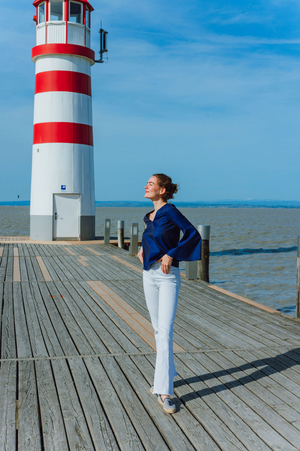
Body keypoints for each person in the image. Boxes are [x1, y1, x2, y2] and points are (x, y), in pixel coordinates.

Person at [138, 173, 201, 414]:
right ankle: (166, 374)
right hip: (148, 275)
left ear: (162, 190)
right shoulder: (150, 216)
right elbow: (154, 237)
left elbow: (192, 233)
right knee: (157, 330)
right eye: (147, 183)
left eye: (151, 184)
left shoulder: (170, 211)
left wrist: (171, 253)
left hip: (167, 278)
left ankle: (164, 391)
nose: (146, 186)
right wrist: (144, 249)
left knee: (164, 332)